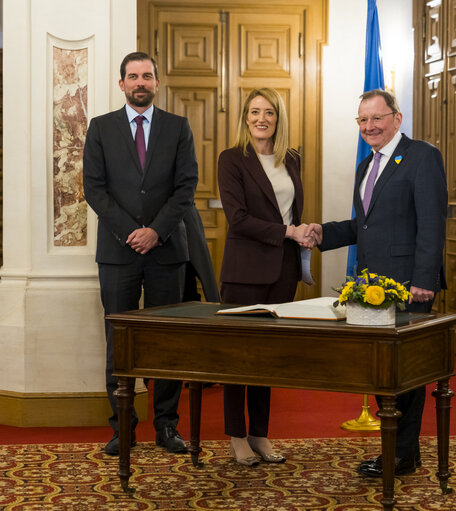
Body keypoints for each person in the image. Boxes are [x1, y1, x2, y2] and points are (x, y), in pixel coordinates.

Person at [309, 89, 447, 477]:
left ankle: (400, 455)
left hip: (408, 286)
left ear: (397, 119)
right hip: (372, 286)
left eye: (377, 118)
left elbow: (432, 223)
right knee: (384, 371)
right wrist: (323, 232)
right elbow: (364, 226)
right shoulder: (366, 166)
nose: (369, 126)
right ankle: (405, 451)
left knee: (403, 373)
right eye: (362, 120)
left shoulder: (422, 157)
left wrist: (423, 279)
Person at [83, 51, 198, 456]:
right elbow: (94, 189)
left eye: (147, 76)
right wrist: (132, 232)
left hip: (167, 252)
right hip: (118, 253)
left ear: (157, 82)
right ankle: (123, 428)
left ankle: (167, 426)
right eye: (133, 77)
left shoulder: (178, 127)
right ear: (121, 84)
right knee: (121, 341)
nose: (140, 83)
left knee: (166, 341)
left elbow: (186, 187)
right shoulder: (100, 128)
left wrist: (156, 232)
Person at [217, 88, 314, 466]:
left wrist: (299, 232)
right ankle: (236, 436)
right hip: (244, 272)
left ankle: (259, 433)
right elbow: (237, 218)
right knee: (237, 357)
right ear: (245, 117)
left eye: (269, 112)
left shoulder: (292, 158)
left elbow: (290, 210)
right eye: (255, 112)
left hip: (283, 271)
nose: (262, 118)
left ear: (278, 118)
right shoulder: (232, 160)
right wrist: (289, 232)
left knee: (265, 358)